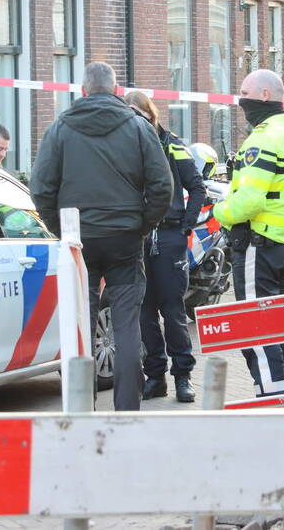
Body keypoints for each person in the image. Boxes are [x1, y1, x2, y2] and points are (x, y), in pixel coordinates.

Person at [31, 62, 173, 411]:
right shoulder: (140, 128)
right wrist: (142, 224)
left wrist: (62, 230)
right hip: (125, 238)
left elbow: (41, 189)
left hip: (80, 240)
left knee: (81, 323)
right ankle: (127, 410)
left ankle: (81, 408)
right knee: (126, 324)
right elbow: (162, 186)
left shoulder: (60, 129)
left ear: (82, 91)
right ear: (116, 90)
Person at [213, 69, 284, 398]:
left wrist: (219, 212)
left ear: (263, 96)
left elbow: (250, 200)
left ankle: (270, 401)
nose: (239, 99)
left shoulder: (263, 139)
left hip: (257, 246)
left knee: (254, 327)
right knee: (278, 321)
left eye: (243, 92)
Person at [124, 91, 206, 403]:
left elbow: (196, 187)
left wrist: (185, 225)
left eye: (137, 114)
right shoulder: (127, 147)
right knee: (145, 312)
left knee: (172, 311)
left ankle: (183, 376)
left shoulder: (172, 144)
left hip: (170, 237)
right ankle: (155, 376)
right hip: (139, 238)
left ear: (149, 114)